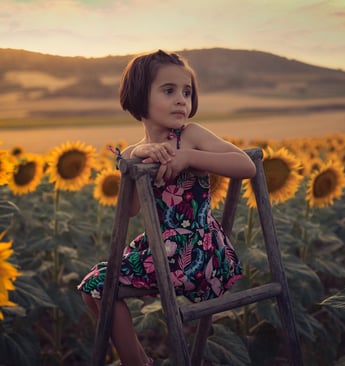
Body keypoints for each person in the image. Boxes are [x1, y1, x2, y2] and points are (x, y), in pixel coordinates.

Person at [77, 49, 256, 366]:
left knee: (101, 286)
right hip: (160, 251)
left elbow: (245, 165)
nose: (181, 101)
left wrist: (189, 159)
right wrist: (136, 162)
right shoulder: (135, 152)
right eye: (169, 90)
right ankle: (139, 360)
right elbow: (131, 209)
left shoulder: (191, 137)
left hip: (198, 252)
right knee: (92, 286)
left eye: (187, 92)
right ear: (139, 97)